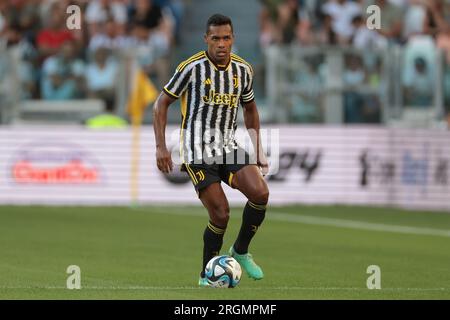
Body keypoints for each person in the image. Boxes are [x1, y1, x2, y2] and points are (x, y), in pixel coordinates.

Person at [152, 14, 270, 287]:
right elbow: (161, 104)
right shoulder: (190, 68)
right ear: (206, 39)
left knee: (261, 192)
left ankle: (240, 251)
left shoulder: (243, 70)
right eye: (215, 38)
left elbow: (250, 108)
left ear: (233, 39)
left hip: (228, 146)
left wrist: (258, 149)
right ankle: (206, 273)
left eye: (226, 38)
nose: (221, 44)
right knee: (221, 213)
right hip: (196, 152)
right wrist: (160, 146)